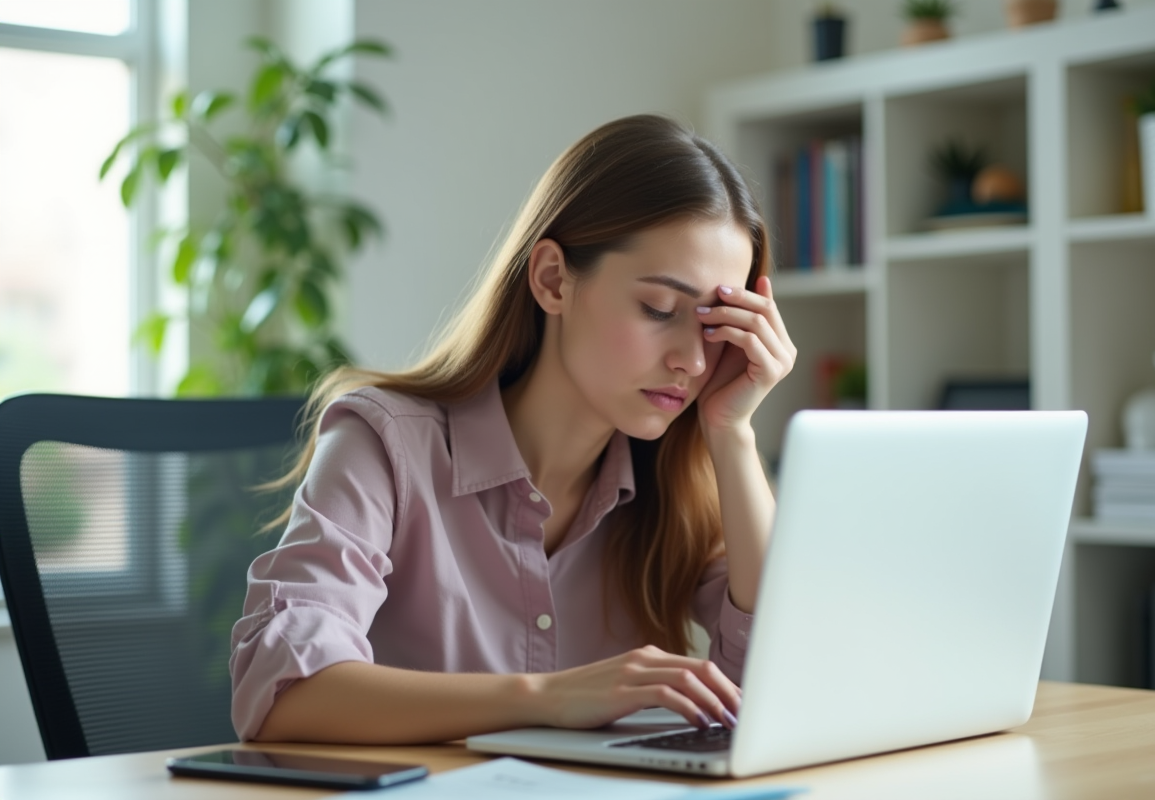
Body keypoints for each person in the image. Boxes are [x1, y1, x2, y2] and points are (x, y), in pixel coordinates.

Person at [230, 114, 796, 745]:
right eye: (659, 309)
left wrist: (733, 432)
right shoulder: (384, 445)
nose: (692, 361)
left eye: (716, 325)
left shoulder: (682, 478)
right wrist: (549, 697)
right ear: (553, 279)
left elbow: (786, 683)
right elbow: (282, 691)